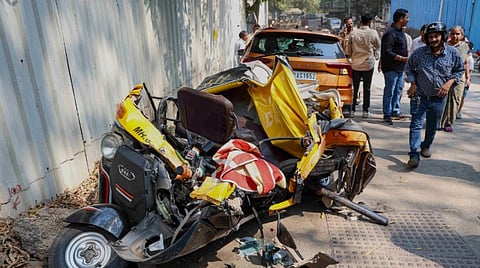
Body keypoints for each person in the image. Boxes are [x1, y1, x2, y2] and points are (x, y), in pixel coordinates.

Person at [405, 21, 465, 168]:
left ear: (443, 36)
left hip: (439, 98)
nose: (433, 40)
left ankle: (425, 145)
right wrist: (413, 83)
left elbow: (459, 70)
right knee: (416, 124)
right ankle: (413, 154)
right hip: (420, 96)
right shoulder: (419, 53)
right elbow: (409, 68)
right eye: (430, 37)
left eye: (436, 36)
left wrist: (449, 83)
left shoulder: (452, 53)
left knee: (432, 126)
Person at [345, 13, 380, 118]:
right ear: (370, 22)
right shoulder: (373, 33)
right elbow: (378, 45)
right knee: (367, 87)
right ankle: (365, 110)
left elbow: (348, 50)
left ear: (360, 21)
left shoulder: (353, 33)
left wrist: (352, 56)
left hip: (355, 64)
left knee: (355, 87)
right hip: (368, 64)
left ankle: (352, 109)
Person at [380, 8, 410, 125]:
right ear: (401, 19)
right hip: (391, 68)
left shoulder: (401, 33)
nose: (408, 20)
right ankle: (387, 114)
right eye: (406, 17)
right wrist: (401, 58)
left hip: (400, 68)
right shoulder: (390, 33)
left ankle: (395, 111)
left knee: (398, 90)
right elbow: (387, 51)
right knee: (390, 91)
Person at [438, 26, 471, 132]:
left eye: (458, 34)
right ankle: (438, 122)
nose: (455, 36)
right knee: (441, 98)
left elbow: (465, 63)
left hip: (458, 77)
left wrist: (467, 78)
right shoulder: (444, 45)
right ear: (449, 34)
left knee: (454, 100)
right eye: (453, 33)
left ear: (462, 36)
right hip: (444, 76)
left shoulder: (465, 47)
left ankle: (448, 122)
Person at [457, 41, 475, 119]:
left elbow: (469, 72)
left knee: (462, 97)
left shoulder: (470, 59)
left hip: (463, 80)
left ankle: (458, 111)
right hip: (458, 78)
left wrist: (467, 80)